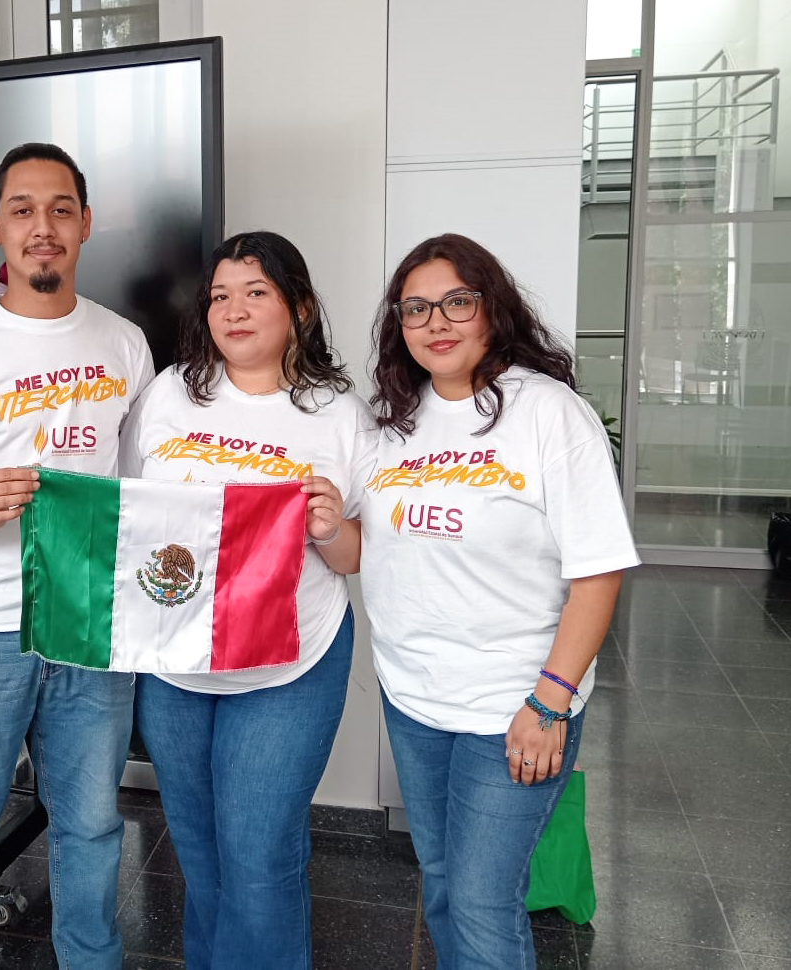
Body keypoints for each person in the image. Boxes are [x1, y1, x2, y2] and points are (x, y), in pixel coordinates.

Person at [0, 143, 155, 969]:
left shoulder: (125, 343)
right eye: (21, 209)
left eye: (59, 209)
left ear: (84, 223)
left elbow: (138, 494)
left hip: (88, 624)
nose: (41, 227)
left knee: (91, 824)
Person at [358, 233, 639, 969]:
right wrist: (326, 524)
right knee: (443, 880)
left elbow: (598, 573)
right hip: (414, 697)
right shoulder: (394, 420)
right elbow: (365, 552)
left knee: (484, 901)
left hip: (514, 703)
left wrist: (548, 703)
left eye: (457, 301)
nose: (436, 321)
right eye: (415, 307)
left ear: (492, 308)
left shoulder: (548, 413)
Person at [121, 231, 369, 969]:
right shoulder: (170, 392)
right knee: (198, 853)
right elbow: (130, 514)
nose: (234, 310)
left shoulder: (338, 413)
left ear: (300, 307)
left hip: (288, 664)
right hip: (175, 664)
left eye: (256, 293)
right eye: (220, 296)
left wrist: (329, 527)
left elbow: (357, 556)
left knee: (259, 859)